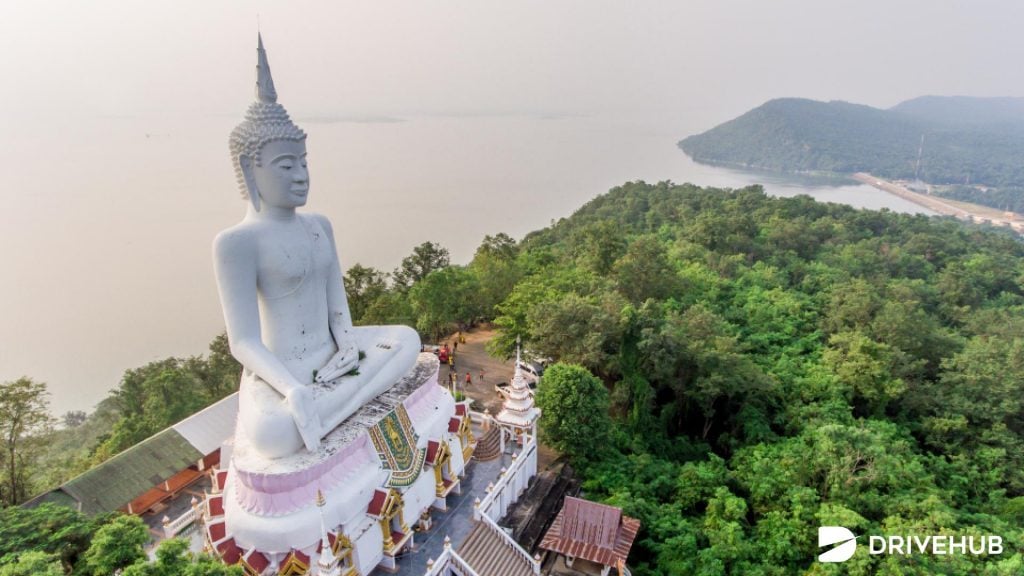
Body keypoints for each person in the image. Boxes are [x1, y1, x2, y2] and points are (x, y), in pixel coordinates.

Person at [213, 35, 420, 459]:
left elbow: (337, 304)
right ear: (250, 169)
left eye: (304, 162)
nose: (301, 175)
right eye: (286, 165)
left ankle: (326, 412)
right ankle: (326, 408)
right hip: (282, 368)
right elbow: (244, 342)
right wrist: (291, 389)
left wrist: (347, 345)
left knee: (408, 340)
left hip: (335, 356)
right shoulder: (236, 243)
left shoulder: (319, 225)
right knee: (273, 434)